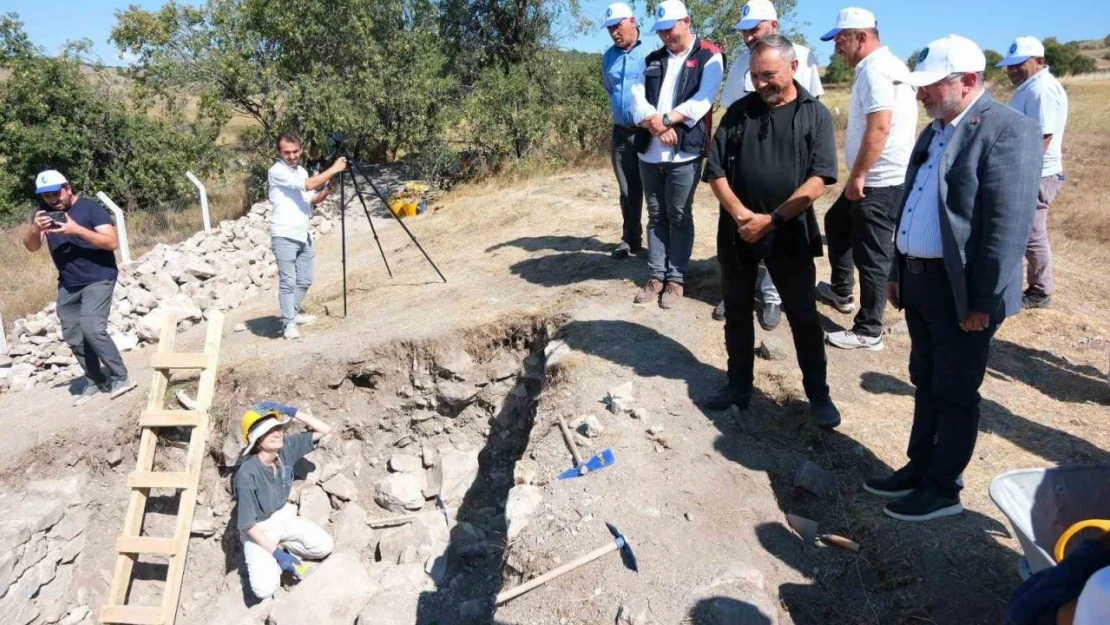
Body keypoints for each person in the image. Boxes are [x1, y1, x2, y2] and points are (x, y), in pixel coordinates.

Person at [864, 35, 1042, 522]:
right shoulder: (935, 129)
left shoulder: (1009, 130)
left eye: (930, 85)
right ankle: (919, 467)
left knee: (956, 389)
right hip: (920, 281)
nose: (920, 95)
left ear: (966, 82)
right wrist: (899, 270)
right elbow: (914, 200)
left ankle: (943, 488)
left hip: (962, 291)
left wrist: (981, 301)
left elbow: (1005, 226)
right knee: (924, 378)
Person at [701, 34, 842, 428]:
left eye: (769, 76)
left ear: (793, 68)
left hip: (789, 233)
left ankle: (819, 396)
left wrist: (773, 219)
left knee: (803, 317)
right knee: (738, 314)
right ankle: (738, 388)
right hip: (737, 233)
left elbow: (820, 178)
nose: (760, 84)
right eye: (754, 76)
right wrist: (742, 216)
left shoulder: (815, 115)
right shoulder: (738, 112)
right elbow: (714, 170)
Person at [713, 0, 825, 329]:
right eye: (744, 31)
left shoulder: (802, 56)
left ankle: (772, 297)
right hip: (743, 162)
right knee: (741, 252)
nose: (748, 37)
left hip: (787, 173)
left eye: (755, 29)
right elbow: (731, 114)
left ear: (773, 26)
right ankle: (736, 296)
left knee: (782, 243)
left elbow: (809, 110)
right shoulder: (739, 63)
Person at [817, 8, 917, 351]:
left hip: (880, 179)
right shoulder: (885, 66)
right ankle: (842, 291)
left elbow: (880, 126)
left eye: (841, 40)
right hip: (877, 175)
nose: (836, 49)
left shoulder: (877, 71)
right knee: (837, 222)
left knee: (873, 253)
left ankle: (869, 330)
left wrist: (859, 174)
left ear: (862, 36)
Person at [629, 0, 724, 309]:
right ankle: (656, 276)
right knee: (656, 215)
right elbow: (636, 97)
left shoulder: (710, 55)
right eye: (661, 31)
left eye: (670, 29)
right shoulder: (652, 58)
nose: (666, 36)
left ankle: (676, 278)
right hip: (650, 152)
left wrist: (666, 120)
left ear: (686, 21)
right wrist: (654, 125)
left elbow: (702, 101)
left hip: (685, 152)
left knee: (680, 215)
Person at [22, 170, 135, 406]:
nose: (52, 200)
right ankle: (95, 380)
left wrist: (76, 230)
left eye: (55, 193)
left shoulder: (90, 209)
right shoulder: (43, 215)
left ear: (68, 188)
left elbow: (111, 242)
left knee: (92, 327)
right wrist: (35, 228)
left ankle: (120, 377)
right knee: (73, 334)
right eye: (46, 196)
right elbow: (31, 247)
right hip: (68, 283)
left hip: (99, 277)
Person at [996, 36, 1069, 310]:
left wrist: (1023, 174)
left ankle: (1039, 291)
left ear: (1039, 62)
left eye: (1019, 64)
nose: (1012, 70)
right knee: (1025, 231)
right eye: (1009, 65)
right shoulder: (1031, 86)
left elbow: (1043, 136)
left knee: (1032, 233)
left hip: (1037, 174)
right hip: (1029, 172)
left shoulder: (1042, 90)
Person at [235, 402, 334, 599]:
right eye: (268, 431)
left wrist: (291, 411)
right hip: (259, 529)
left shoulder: (286, 448)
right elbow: (247, 525)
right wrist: (276, 554)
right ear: (256, 440)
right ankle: (276, 554)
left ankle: (284, 547)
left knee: (325, 546)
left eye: (277, 427)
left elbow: (325, 429)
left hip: (283, 517)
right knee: (265, 590)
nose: (277, 433)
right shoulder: (247, 473)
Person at [268, 132, 347, 340]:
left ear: (300, 150)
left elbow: (312, 198)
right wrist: (333, 169)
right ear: (279, 152)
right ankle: (289, 324)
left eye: (295, 151)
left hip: (303, 234)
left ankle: (292, 313)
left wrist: (329, 187)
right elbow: (309, 185)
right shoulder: (276, 171)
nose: (292, 156)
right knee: (288, 281)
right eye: (287, 152)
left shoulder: (301, 170)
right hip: (284, 234)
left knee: (305, 279)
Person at [602, 3, 653, 259]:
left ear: (632, 21)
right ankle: (630, 240)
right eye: (610, 28)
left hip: (650, 132)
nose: (614, 33)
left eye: (617, 26)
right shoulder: (608, 56)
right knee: (627, 190)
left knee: (656, 190)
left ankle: (661, 246)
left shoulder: (655, 49)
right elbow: (610, 89)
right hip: (621, 132)